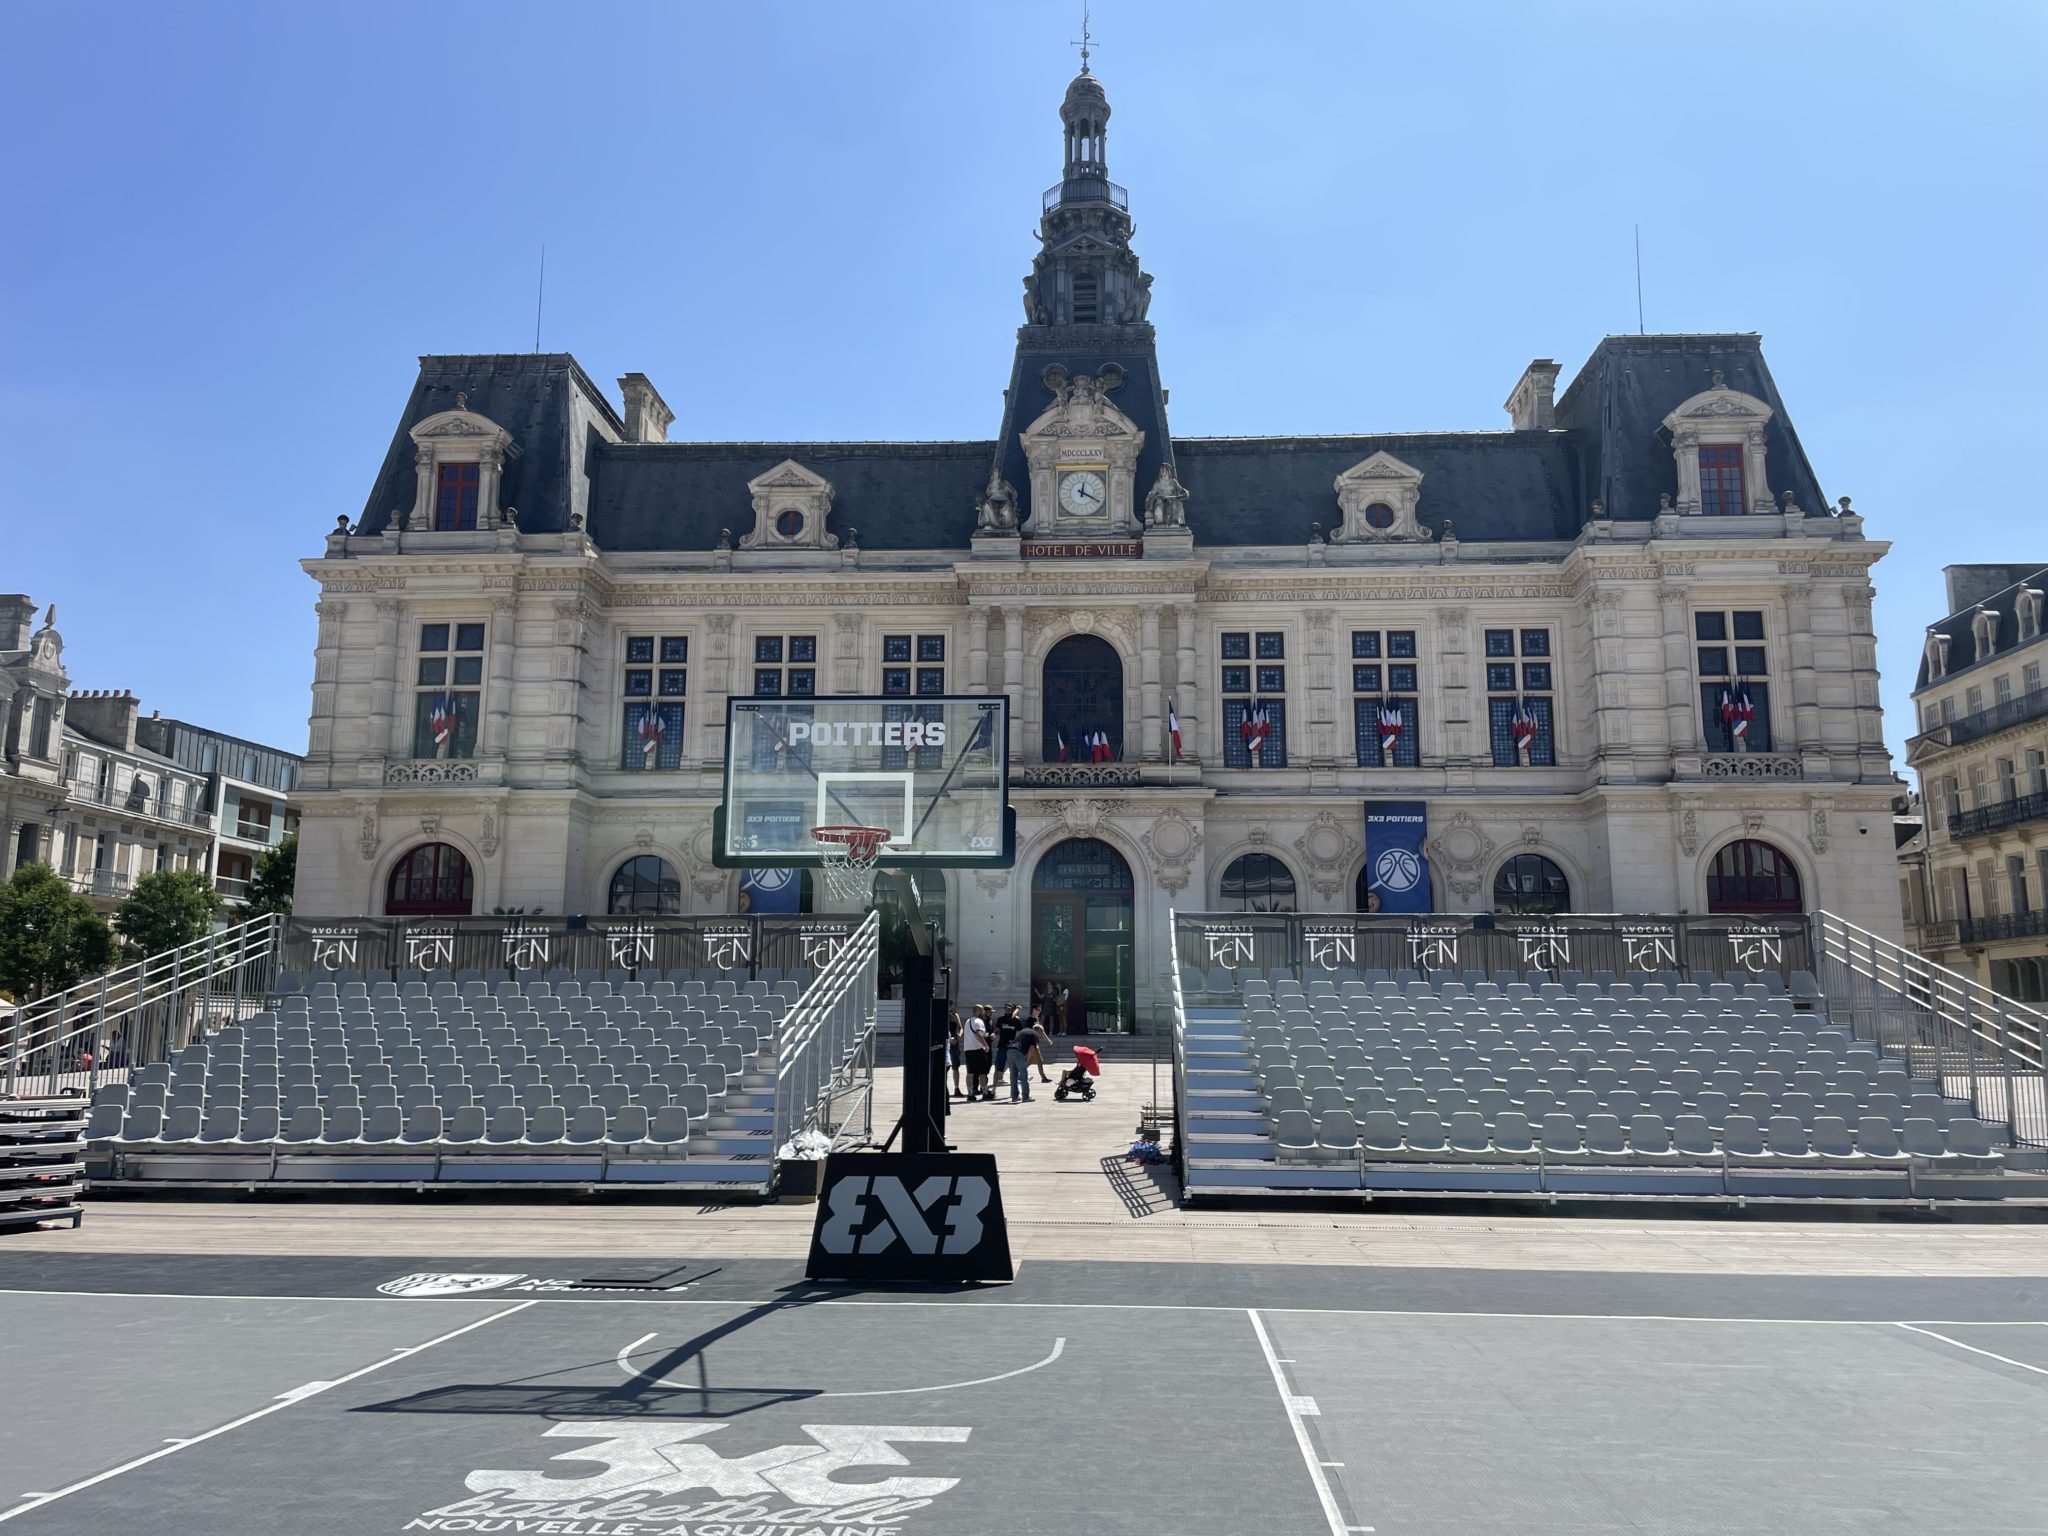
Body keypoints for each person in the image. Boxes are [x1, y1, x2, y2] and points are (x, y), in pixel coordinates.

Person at [1010, 1009, 1044, 1101]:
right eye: (1042, 1032)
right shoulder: (1034, 1034)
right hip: (1018, 1052)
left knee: (1013, 1075)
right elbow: (1032, 1050)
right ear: (1038, 1030)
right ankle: (1025, 1096)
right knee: (1024, 1075)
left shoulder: (1024, 1031)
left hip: (1010, 1050)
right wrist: (1026, 1064)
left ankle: (1014, 1096)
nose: (1042, 1034)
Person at [963, 1006, 993, 1101]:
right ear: (978, 1011)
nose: (984, 1012)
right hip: (978, 1049)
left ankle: (970, 1094)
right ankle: (985, 1093)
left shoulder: (968, 1021)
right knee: (982, 1072)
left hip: (968, 1049)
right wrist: (986, 1045)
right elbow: (978, 1034)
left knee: (970, 1073)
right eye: (982, 1010)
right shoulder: (978, 1021)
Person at [992, 1006, 1021, 1096]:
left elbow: (1020, 1033)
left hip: (1012, 1047)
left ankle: (1014, 1092)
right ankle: (993, 1090)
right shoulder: (1000, 1019)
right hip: (1002, 1046)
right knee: (998, 1068)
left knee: (1014, 1069)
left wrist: (1016, 1042)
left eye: (1009, 1008)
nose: (1007, 1009)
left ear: (1012, 1009)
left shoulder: (1016, 1020)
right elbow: (997, 1030)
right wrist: (994, 1034)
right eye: (1006, 1008)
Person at [1027, 1004, 1053, 1083]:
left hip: (1035, 1042)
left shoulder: (1037, 1019)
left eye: (1040, 1010)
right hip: (1031, 1044)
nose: (1039, 1012)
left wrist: (1048, 1040)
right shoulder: (1029, 1020)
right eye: (1038, 1010)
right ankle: (1043, 1077)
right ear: (1033, 1010)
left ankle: (1019, 1072)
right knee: (1040, 1060)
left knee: (1030, 1061)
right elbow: (1027, 1032)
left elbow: (1041, 1031)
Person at [945, 1006, 965, 1099]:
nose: (951, 1007)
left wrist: (959, 1035)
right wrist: (950, 1040)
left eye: (952, 1005)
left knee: (955, 1066)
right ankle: (944, 1088)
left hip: (955, 1041)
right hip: (947, 1041)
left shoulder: (955, 1015)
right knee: (946, 1066)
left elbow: (960, 1028)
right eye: (950, 1005)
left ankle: (956, 1088)